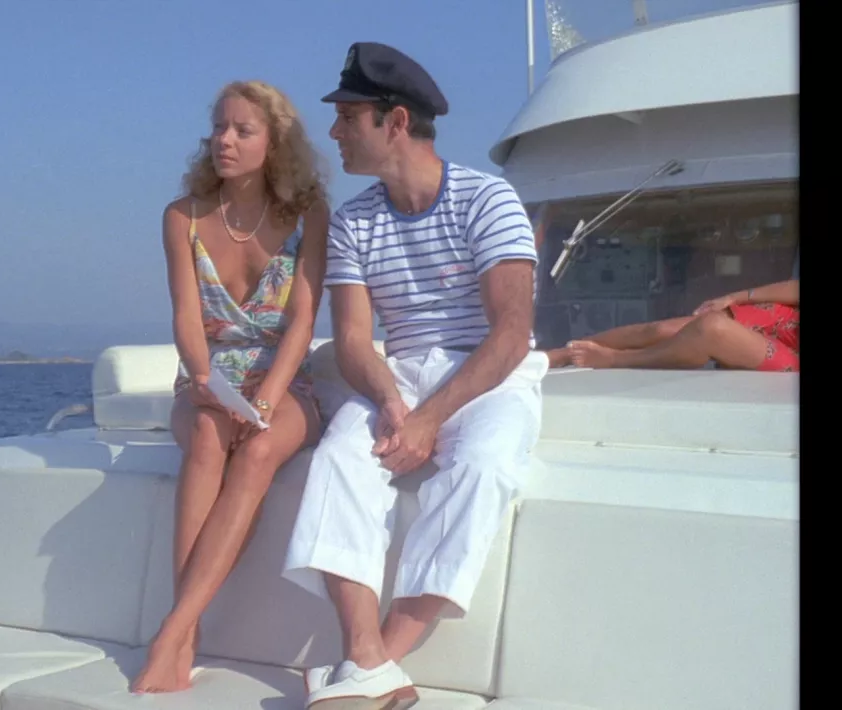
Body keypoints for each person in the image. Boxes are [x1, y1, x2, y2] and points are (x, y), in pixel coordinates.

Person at [280, 42, 547, 708]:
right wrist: (392, 400)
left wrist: (430, 418)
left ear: (395, 121)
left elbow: (510, 335)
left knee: (482, 464)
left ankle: (371, 664)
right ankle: (368, 662)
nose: (334, 131)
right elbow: (353, 340)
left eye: (348, 117)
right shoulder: (354, 222)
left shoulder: (488, 200)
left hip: (488, 375)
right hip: (395, 374)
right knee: (339, 457)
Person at [131, 80, 330, 694]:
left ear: (275, 143)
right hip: (207, 373)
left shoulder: (309, 216)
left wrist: (265, 398)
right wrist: (204, 379)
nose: (224, 140)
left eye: (243, 130)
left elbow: (303, 321)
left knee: (261, 449)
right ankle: (186, 634)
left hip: (284, 377)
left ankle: (174, 631)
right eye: (219, 127)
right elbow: (186, 318)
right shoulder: (182, 217)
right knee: (208, 435)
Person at [547, 278, 799, 372]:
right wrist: (734, 297)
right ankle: (563, 353)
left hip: (792, 356)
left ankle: (614, 359)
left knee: (710, 329)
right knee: (658, 330)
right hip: (785, 317)